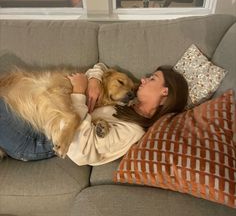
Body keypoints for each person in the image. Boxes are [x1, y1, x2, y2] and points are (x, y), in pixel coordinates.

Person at [0, 64, 188, 166]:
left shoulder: (133, 131)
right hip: (31, 117)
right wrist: (94, 80)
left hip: (38, 138)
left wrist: (79, 93)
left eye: (153, 78)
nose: (144, 79)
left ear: (165, 93)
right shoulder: (127, 104)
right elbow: (101, 68)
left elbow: (81, 152)